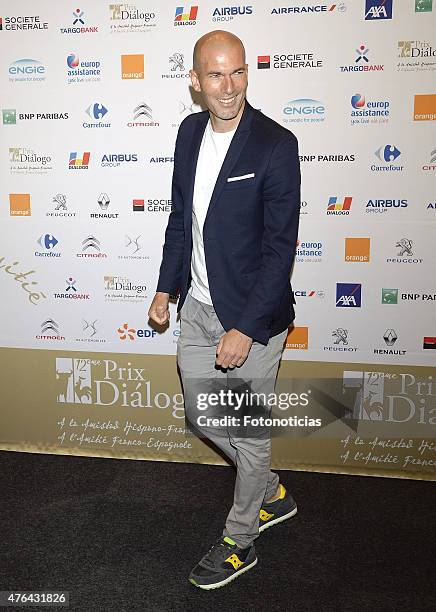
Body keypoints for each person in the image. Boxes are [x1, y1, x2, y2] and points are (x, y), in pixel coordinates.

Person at [148, 30, 301, 590]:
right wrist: (166, 288)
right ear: (196, 81)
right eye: (216, 75)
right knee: (204, 415)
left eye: (238, 72)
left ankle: (241, 540)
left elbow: (279, 249)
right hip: (199, 307)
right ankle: (271, 492)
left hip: (254, 319)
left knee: (250, 433)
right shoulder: (189, 133)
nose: (229, 87)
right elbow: (178, 221)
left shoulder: (275, 145)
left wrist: (245, 327)